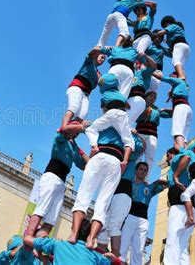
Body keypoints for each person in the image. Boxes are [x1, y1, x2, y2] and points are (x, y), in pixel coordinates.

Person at [69, 73, 135, 249]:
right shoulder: (123, 122)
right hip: (115, 161)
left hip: (98, 157)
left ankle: (74, 234)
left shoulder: (107, 117)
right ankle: (91, 239)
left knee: (83, 196)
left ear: (104, 106)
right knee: (103, 204)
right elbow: (130, 143)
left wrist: (94, 145)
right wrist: (125, 162)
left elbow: (91, 129)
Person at [24, 122, 88, 240]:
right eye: (75, 129)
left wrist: (84, 152)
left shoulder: (74, 147)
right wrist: (81, 127)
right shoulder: (60, 137)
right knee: (41, 209)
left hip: (61, 182)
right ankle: (28, 236)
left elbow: (85, 166)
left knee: (52, 218)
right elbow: (64, 130)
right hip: (52, 176)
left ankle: (39, 240)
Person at [97, 132, 145, 257]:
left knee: (114, 225)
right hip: (111, 188)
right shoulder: (115, 152)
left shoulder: (131, 154)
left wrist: (136, 134)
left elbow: (143, 147)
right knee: (103, 223)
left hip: (123, 190)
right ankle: (100, 255)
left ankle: (115, 256)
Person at [119, 162, 167, 264]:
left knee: (138, 250)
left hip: (143, 220)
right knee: (123, 246)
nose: (143, 172)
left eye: (145, 170)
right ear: (136, 171)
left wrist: (159, 181)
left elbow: (165, 185)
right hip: (129, 217)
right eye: (141, 169)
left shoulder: (150, 187)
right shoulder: (129, 184)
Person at [25, 219, 120, 265]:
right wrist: (111, 257)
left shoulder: (58, 245)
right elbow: (113, 262)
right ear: (90, 235)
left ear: (73, 229)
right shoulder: (95, 256)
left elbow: (27, 239)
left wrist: (39, 251)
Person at [163, 147, 195, 265]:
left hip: (179, 207)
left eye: (167, 156)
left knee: (172, 240)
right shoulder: (185, 169)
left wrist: (176, 176)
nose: (167, 159)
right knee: (182, 246)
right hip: (189, 208)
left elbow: (186, 157)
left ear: (173, 154)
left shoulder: (177, 160)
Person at [61, 49, 105, 130]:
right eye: (101, 57)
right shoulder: (89, 62)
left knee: (82, 115)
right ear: (96, 56)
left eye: (104, 59)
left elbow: (103, 83)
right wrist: (100, 49)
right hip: (77, 88)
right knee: (74, 107)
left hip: (86, 94)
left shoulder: (99, 73)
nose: (102, 60)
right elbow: (91, 54)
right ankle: (63, 127)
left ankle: (70, 134)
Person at [154, 71, 192, 152]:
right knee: (183, 136)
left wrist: (150, 71)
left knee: (177, 132)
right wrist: (164, 110)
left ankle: (182, 153)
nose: (171, 78)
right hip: (187, 109)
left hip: (181, 107)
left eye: (172, 76)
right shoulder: (183, 86)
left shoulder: (178, 81)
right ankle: (185, 151)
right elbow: (175, 109)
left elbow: (161, 77)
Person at [135, 91, 168, 178]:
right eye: (151, 96)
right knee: (137, 156)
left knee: (149, 158)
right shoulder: (140, 105)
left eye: (154, 97)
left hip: (152, 134)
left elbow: (170, 114)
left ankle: (145, 179)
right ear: (146, 97)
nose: (152, 98)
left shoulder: (157, 110)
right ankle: (134, 178)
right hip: (140, 133)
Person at [126, 57, 157, 126]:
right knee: (124, 124)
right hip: (129, 100)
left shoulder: (142, 72)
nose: (135, 64)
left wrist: (142, 57)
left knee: (123, 122)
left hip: (137, 99)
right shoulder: (131, 74)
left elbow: (153, 66)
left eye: (137, 63)